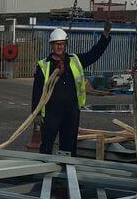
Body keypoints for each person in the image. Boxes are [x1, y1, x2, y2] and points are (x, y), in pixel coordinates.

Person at [31, 22, 112, 155]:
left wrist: (105, 36)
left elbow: (94, 53)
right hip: (51, 111)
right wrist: (36, 113)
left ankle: (67, 171)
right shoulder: (43, 65)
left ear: (65, 44)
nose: (59, 46)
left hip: (71, 111)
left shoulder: (75, 60)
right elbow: (37, 91)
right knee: (47, 144)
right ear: (51, 45)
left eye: (62, 43)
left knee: (69, 145)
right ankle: (44, 169)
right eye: (56, 43)